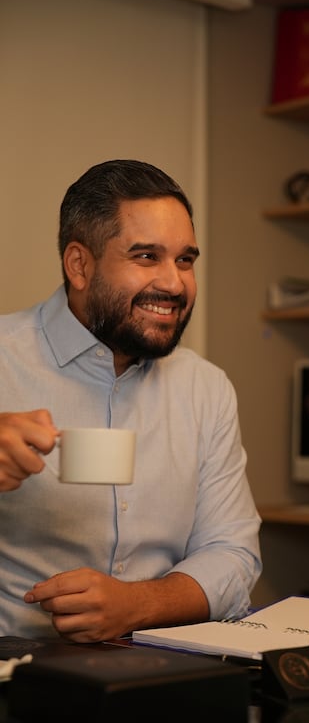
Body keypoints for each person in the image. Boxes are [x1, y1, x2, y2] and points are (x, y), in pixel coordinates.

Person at [0, 159, 262, 643]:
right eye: (147, 257)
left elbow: (232, 552)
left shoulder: (206, 390)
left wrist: (137, 605)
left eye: (185, 260)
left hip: (167, 671)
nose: (174, 283)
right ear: (79, 264)